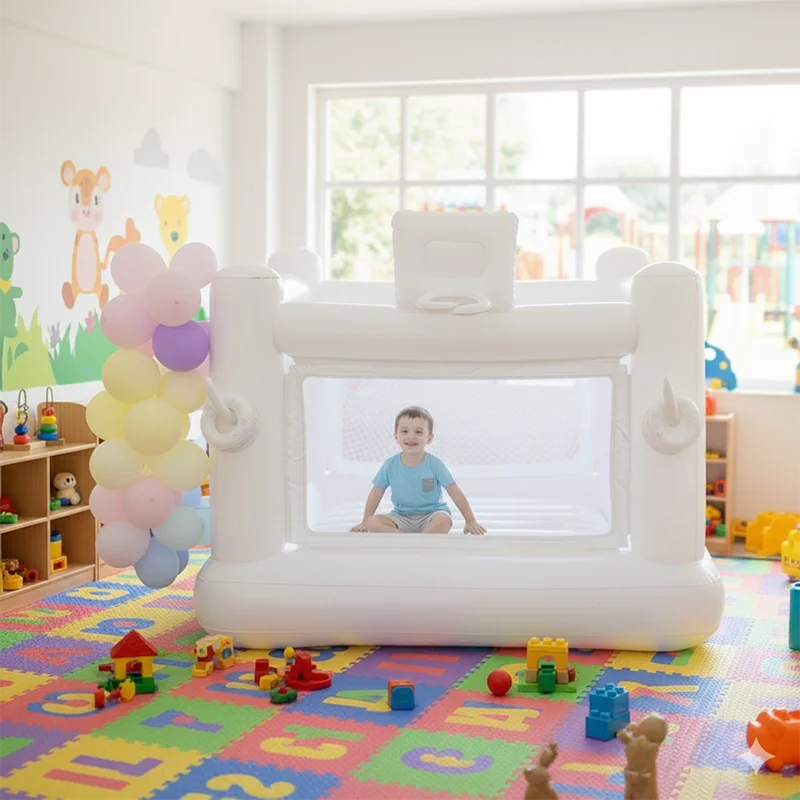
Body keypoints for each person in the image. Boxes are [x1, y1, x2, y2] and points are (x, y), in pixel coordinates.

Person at [350, 405, 486, 535]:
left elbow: (454, 491)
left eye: (418, 432)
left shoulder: (435, 464)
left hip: (432, 514)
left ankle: (422, 537)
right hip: (401, 516)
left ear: (429, 438)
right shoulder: (390, 465)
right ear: (396, 437)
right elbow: (376, 493)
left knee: (443, 520)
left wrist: (470, 520)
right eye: (404, 431)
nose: (411, 436)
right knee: (372, 522)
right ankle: (405, 537)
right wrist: (365, 521)